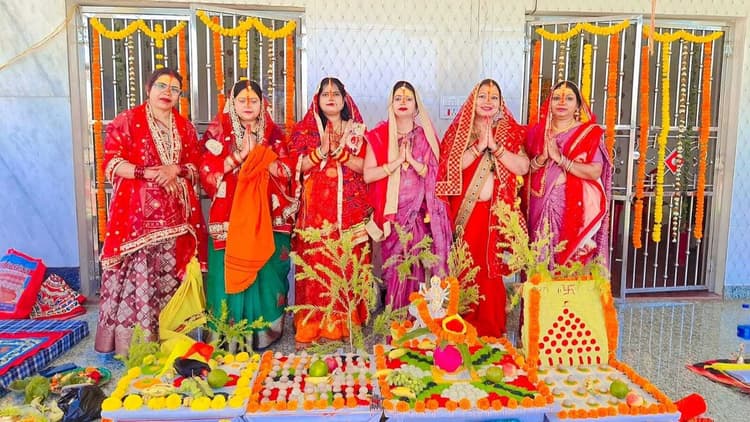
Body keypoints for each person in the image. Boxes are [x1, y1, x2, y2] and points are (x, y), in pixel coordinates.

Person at [95, 67, 206, 355]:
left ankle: (171, 338)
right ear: (148, 89)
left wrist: (175, 169)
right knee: (139, 278)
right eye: (161, 86)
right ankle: (135, 346)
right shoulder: (127, 121)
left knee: (169, 277)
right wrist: (148, 172)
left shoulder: (185, 127)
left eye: (174, 89)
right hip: (137, 220)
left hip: (176, 220)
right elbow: (112, 163)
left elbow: (196, 166)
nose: (167, 93)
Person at [200, 80, 297, 350]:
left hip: (265, 216)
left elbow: (287, 171)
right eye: (241, 100)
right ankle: (226, 336)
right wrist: (240, 156)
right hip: (230, 217)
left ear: (262, 104)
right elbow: (207, 173)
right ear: (232, 103)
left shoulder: (274, 134)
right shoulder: (217, 133)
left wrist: (261, 157)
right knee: (224, 274)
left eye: (253, 101)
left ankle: (263, 333)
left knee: (266, 272)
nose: (247, 105)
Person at [436, 79, 529, 338]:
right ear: (472, 101)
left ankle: (490, 326)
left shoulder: (509, 132)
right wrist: (479, 146)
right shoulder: (458, 132)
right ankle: (460, 325)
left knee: (490, 270)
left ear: (501, 103)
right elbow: (448, 167)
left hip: (494, 214)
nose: (488, 101)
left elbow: (523, 167)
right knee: (464, 267)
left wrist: (496, 148)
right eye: (482, 96)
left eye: (494, 97)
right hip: (465, 216)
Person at [289, 77, 371, 344]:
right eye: (326, 94)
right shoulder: (305, 131)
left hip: (349, 211)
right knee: (318, 263)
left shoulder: (357, 130)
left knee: (347, 261)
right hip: (315, 213)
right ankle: (314, 322)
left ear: (345, 100)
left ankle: (346, 321)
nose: (331, 98)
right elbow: (295, 167)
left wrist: (341, 154)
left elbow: (367, 168)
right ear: (318, 100)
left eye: (336, 94)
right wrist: (321, 151)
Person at [363, 81, 452, 309]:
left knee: (418, 266)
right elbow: (368, 175)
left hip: (419, 216)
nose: (403, 102)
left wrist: (411, 161)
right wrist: (395, 163)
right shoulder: (379, 136)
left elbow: (436, 174)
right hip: (392, 217)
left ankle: (418, 315)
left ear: (416, 106)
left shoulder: (425, 137)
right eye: (398, 98)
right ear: (391, 104)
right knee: (395, 267)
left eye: (408, 99)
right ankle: (395, 314)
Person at [525, 80, 611, 268]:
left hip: (573, 207)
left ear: (578, 105)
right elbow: (524, 171)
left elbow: (595, 171)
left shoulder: (588, 133)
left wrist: (561, 159)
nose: (562, 102)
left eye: (569, 98)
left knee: (571, 262)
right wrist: (542, 158)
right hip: (539, 204)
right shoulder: (536, 133)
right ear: (549, 103)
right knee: (539, 260)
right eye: (556, 98)